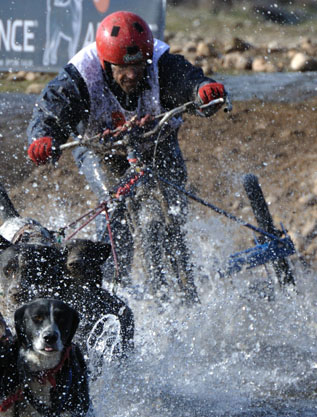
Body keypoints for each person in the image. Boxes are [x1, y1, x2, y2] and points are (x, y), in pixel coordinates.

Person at [27, 11, 227, 304]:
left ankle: (183, 277)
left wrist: (202, 92)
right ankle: (106, 286)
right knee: (114, 207)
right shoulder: (81, 74)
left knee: (174, 206)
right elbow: (50, 109)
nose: (132, 74)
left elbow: (189, 81)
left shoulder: (161, 63)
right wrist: (42, 138)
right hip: (100, 149)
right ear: (106, 63)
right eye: (122, 67)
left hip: (157, 143)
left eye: (137, 65)